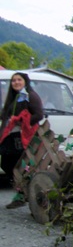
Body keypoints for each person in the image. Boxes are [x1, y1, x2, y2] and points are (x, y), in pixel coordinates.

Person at [0, 72, 43, 208]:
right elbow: (5, 116)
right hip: (11, 137)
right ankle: (20, 190)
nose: (16, 82)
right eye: (14, 80)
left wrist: (23, 122)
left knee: (22, 164)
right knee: (7, 163)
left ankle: (24, 193)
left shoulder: (30, 96)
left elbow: (39, 114)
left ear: (25, 81)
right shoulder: (13, 97)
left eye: (19, 80)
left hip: (23, 137)